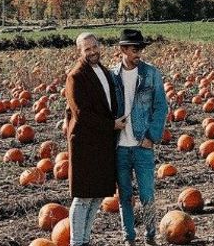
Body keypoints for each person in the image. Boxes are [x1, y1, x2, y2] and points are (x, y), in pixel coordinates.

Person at [64, 33, 124, 246]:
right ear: (80, 52)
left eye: (94, 47)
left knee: (98, 195)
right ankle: (76, 242)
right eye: (86, 49)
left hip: (102, 143)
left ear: (100, 46)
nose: (92, 52)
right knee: (82, 198)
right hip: (86, 144)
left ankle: (85, 240)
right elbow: (82, 113)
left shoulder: (104, 71)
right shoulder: (76, 76)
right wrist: (112, 125)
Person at [110, 28, 168, 246]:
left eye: (140, 49)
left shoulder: (151, 74)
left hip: (142, 145)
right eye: (135, 49)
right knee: (124, 196)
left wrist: (152, 136)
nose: (139, 53)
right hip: (120, 147)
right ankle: (129, 237)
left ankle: (151, 235)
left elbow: (161, 107)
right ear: (123, 49)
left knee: (147, 195)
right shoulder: (111, 76)